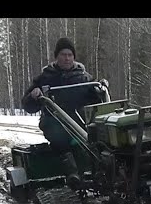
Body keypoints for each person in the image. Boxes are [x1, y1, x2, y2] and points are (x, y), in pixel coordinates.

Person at [22, 37, 102, 189]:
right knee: (61, 138)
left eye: (70, 55)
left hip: (79, 123)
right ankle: (72, 175)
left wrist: (100, 90)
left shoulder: (83, 77)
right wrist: (34, 94)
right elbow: (28, 105)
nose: (67, 58)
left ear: (74, 57)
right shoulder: (45, 77)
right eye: (63, 55)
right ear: (56, 57)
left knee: (89, 141)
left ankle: (93, 173)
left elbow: (96, 98)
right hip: (53, 122)